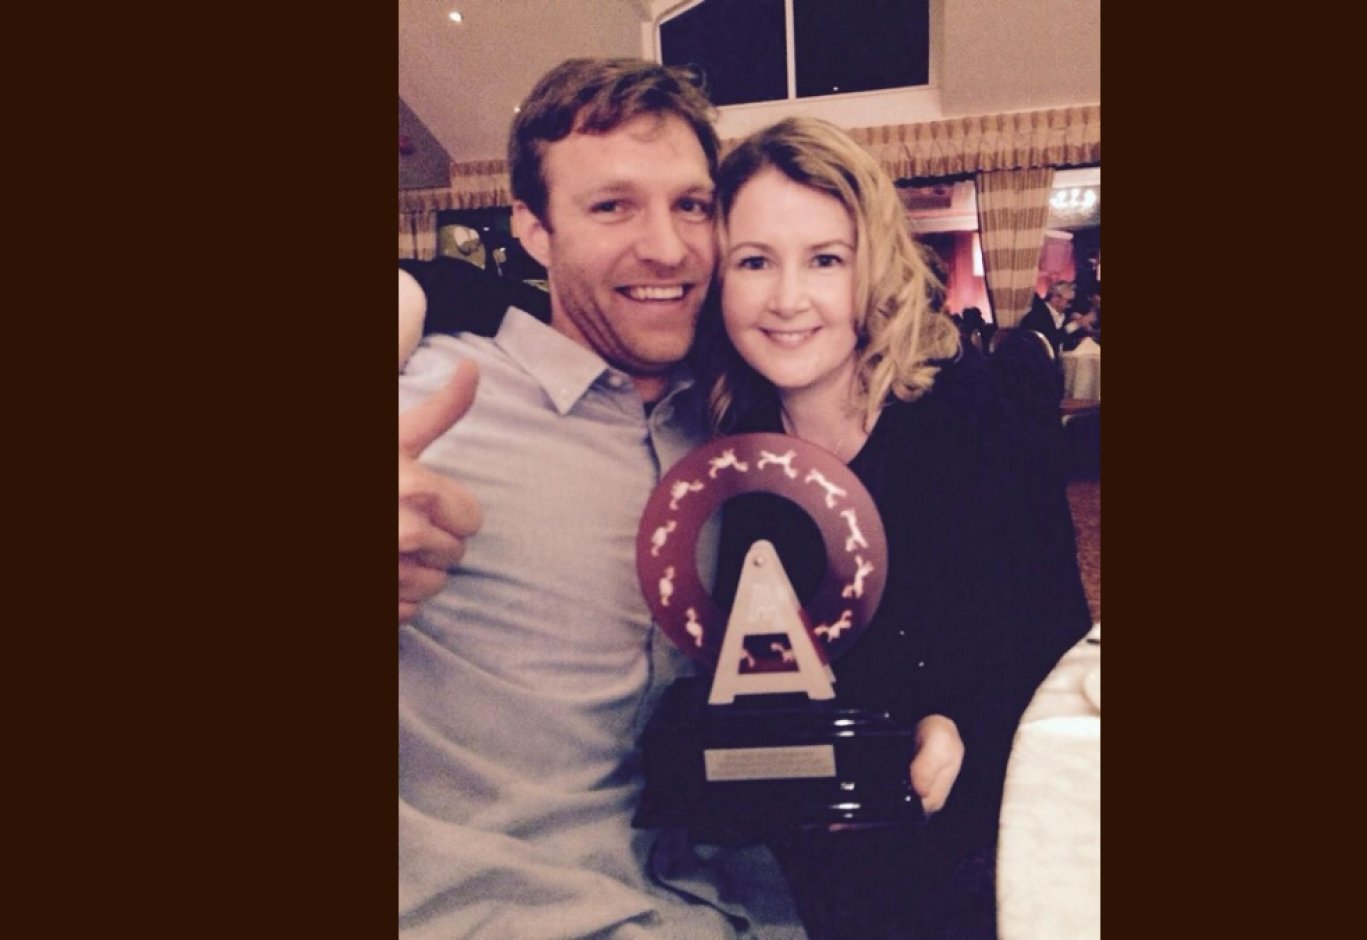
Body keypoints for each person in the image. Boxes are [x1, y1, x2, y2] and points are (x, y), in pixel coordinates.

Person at [398, 58, 807, 939]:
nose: (666, 247)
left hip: (740, 905)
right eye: (611, 206)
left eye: (692, 205)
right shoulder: (429, 396)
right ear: (534, 231)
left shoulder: (751, 408)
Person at [692, 117, 1092, 939]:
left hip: (952, 837)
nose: (788, 298)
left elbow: (1049, 633)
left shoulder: (962, 414)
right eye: (755, 261)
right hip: (788, 843)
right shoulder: (722, 445)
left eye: (825, 260)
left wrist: (960, 722)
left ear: (871, 272)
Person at [1019, 279, 1088, 355]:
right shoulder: (1037, 315)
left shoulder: (1065, 316)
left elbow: (1062, 344)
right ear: (1056, 298)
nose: (1070, 306)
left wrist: (1077, 342)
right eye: (1069, 301)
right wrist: (1075, 325)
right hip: (1038, 363)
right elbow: (1050, 341)